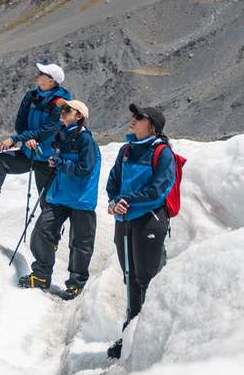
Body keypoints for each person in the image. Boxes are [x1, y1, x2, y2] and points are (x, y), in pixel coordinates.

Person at [104, 103, 175, 359]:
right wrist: (115, 201)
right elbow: (113, 182)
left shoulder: (162, 153)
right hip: (124, 218)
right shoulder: (126, 150)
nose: (133, 119)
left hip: (149, 219)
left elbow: (159, 189)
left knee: (146, 278)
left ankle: (147, 337)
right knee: (130, 277)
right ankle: (130, 334)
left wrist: (127, 201)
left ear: (152, 126)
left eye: (139, 117)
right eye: (133, 115)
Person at [0, 62, 72, 221]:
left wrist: (16, 139)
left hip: (48, 159)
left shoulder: (61, 103)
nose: (37, 74)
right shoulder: (31, 96)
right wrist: (27, 138)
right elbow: (20, 123)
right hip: (28, 153)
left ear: (51, 80)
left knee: (47, 202)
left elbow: (48, 130)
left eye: (41, 73)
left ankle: (53, 232)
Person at [18, 100, 100, 298]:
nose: (62, 112)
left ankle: (76, 283)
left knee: (80, 242)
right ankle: (41, 274)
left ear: (79, 116)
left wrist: (60, 163)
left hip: (81, 198)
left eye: (67, 110)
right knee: (42, 230)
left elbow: (85, 168)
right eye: (61, 109)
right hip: (60, 194)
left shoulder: (86, 140)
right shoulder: (61, 134)